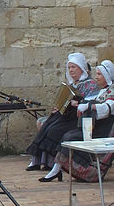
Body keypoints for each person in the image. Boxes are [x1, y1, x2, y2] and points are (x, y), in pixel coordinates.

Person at [25, 52, 99, 181]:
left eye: (73, 67)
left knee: (54, 129)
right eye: (69, 67)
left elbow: (92, 103)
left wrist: (78, 103)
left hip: (79, 119)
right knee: (48, 124)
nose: (71, 70)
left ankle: (53, 167)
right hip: (69, 116)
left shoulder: (90, 84)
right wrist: (59, 107)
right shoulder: (73, 84)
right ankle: (40, 161)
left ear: (81, 67)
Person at [49, 60, 114, 182]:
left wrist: (89, 107)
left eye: (99, 74)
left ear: (106, 76)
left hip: (109, 127)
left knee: (71, 136)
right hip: (99, 124)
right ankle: (56, 169)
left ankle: (89, 171)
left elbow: (106, 109)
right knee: (69, 135)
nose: (96, 77)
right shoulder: (102, 91)